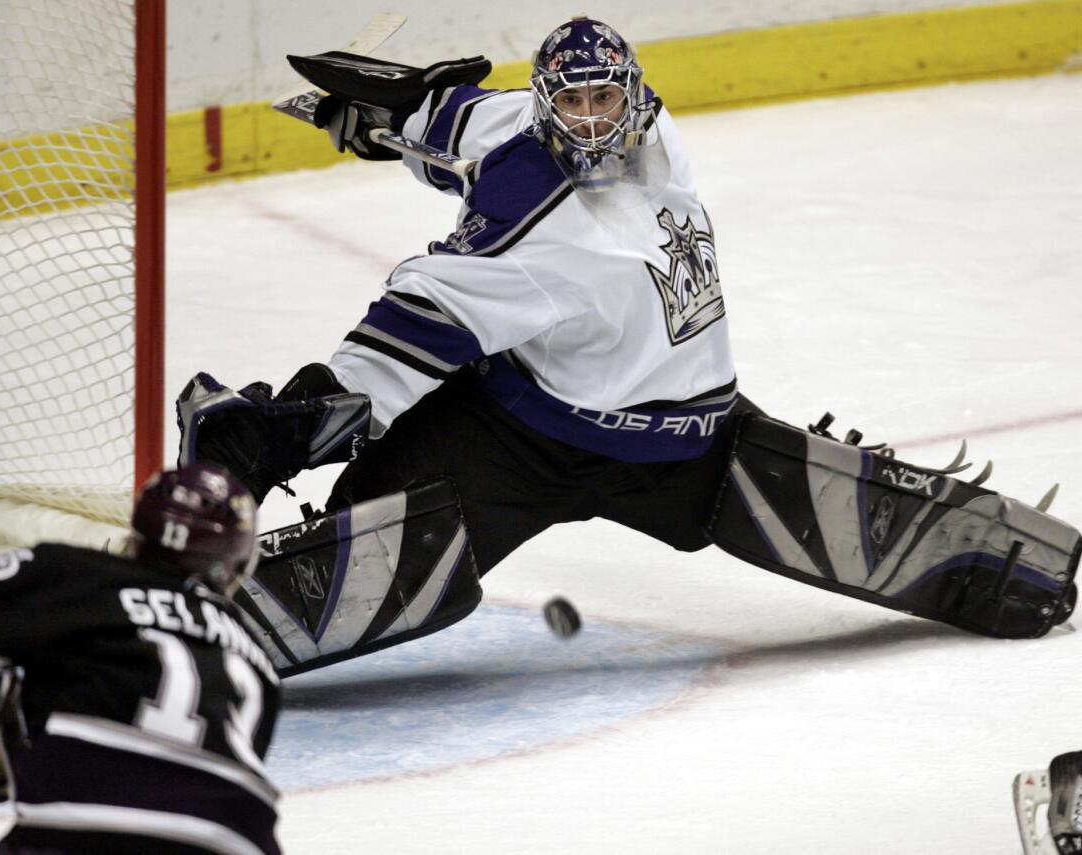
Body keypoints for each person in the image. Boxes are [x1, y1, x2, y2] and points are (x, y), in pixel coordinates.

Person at [177, 18, 1079, 676]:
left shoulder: (599, 189)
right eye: (571, 102)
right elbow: (404, 320)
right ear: (545, 109)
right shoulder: (540, 214)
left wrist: (282, 428)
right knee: (366, 516)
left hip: (685, 443)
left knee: (375, 516)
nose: (595, 119)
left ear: (636, 94)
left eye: (608, 96)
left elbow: (449, 131)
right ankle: (177, 637)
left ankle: (1012, 560)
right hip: (520, 437)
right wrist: (396, 125)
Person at [0, 463, 283, 855]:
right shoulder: (257, 659)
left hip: (84, 820)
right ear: (235, 565)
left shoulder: (69, 573)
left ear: (136, 535)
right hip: (240, 836)